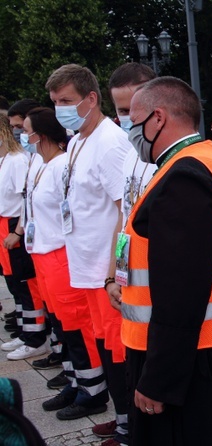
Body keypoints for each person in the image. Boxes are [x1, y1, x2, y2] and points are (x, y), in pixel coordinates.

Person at [122, 76, 212, 445]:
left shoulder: (184, 173)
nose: (129, 130)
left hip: (186, 357)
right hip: (206, 348)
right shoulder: (206, 162)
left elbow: (181, 288)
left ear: (159, 118)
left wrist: (160, 378)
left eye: (132, 120)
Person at [46, 63, 129, 422]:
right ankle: (120, 415)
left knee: (118, 352)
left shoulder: (110, 143)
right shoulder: (79, 139)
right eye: (54, 102)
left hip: (104, 274)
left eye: (66, 100)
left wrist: (115, 275)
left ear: (91, 99)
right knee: (100, 347)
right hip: (84, 266)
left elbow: (124, 213)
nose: (59, 109)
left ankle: (130, 425)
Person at [20, 107, 110, 420]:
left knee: (77, 325)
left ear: (41, 135)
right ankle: (76, 380)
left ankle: (93, 391)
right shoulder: (41, 164)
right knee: (62, 325)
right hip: (42, 253)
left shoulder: (60, 165)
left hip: (61, 254)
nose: (24, 136)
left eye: (27, 131)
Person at [100, 61, 157, 446]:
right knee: (135, 369)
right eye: (119, 111)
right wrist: (113, 277)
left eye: (130, 110)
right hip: (131, 285)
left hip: (159, 290)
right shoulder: (131, 156)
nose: (125, 120)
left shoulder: (172, 161)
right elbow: (124, 221)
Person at [0, 114, 48, 361]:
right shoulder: (6, 159)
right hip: (5, 224)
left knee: (27, 284)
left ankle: (35, 336)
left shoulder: (18, 160)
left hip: (13, 225)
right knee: (15, 284)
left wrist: (16, 231)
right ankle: (24, 330)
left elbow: (23, 200)